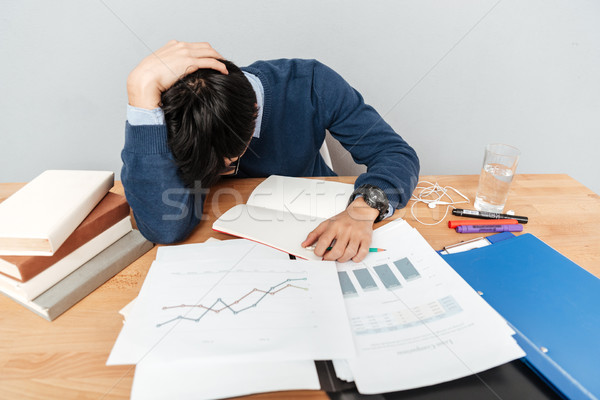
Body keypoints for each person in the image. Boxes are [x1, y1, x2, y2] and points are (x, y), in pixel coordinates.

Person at [122, 40, 419, 263]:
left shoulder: (312, 84)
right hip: (226, 248)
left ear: (255, 111)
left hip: (314, 225)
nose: (224, 169)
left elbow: (394, 153)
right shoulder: (176, 115)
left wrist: (363, 209)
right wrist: (139, 96)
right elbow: (164, 228)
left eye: (231, 158)